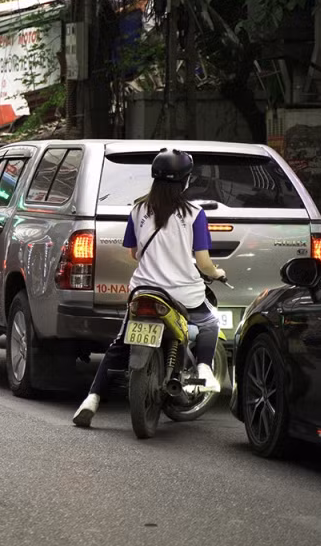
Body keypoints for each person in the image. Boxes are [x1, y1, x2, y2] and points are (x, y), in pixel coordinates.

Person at [72, 148, 226, 428]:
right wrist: (217, 272)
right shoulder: (194, 214)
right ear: (185, 181)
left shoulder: (138, 209)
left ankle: (91, 400)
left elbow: (133, 253)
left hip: (143, 290)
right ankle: (204, 369)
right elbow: (204, 263)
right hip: (183, 293)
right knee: (210, 322)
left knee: (120, 344)